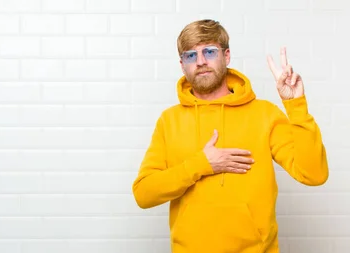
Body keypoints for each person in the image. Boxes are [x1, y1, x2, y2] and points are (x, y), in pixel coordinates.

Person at [131, 19, 328, 252]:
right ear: (182, 65)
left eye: (209, 51)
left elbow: (313, 174)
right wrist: (201, 164)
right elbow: (144, 194)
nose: (201, 61)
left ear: (226, 56)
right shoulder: (169, 120)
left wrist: (295, 105)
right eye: (191, 56)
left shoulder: (264, 114)